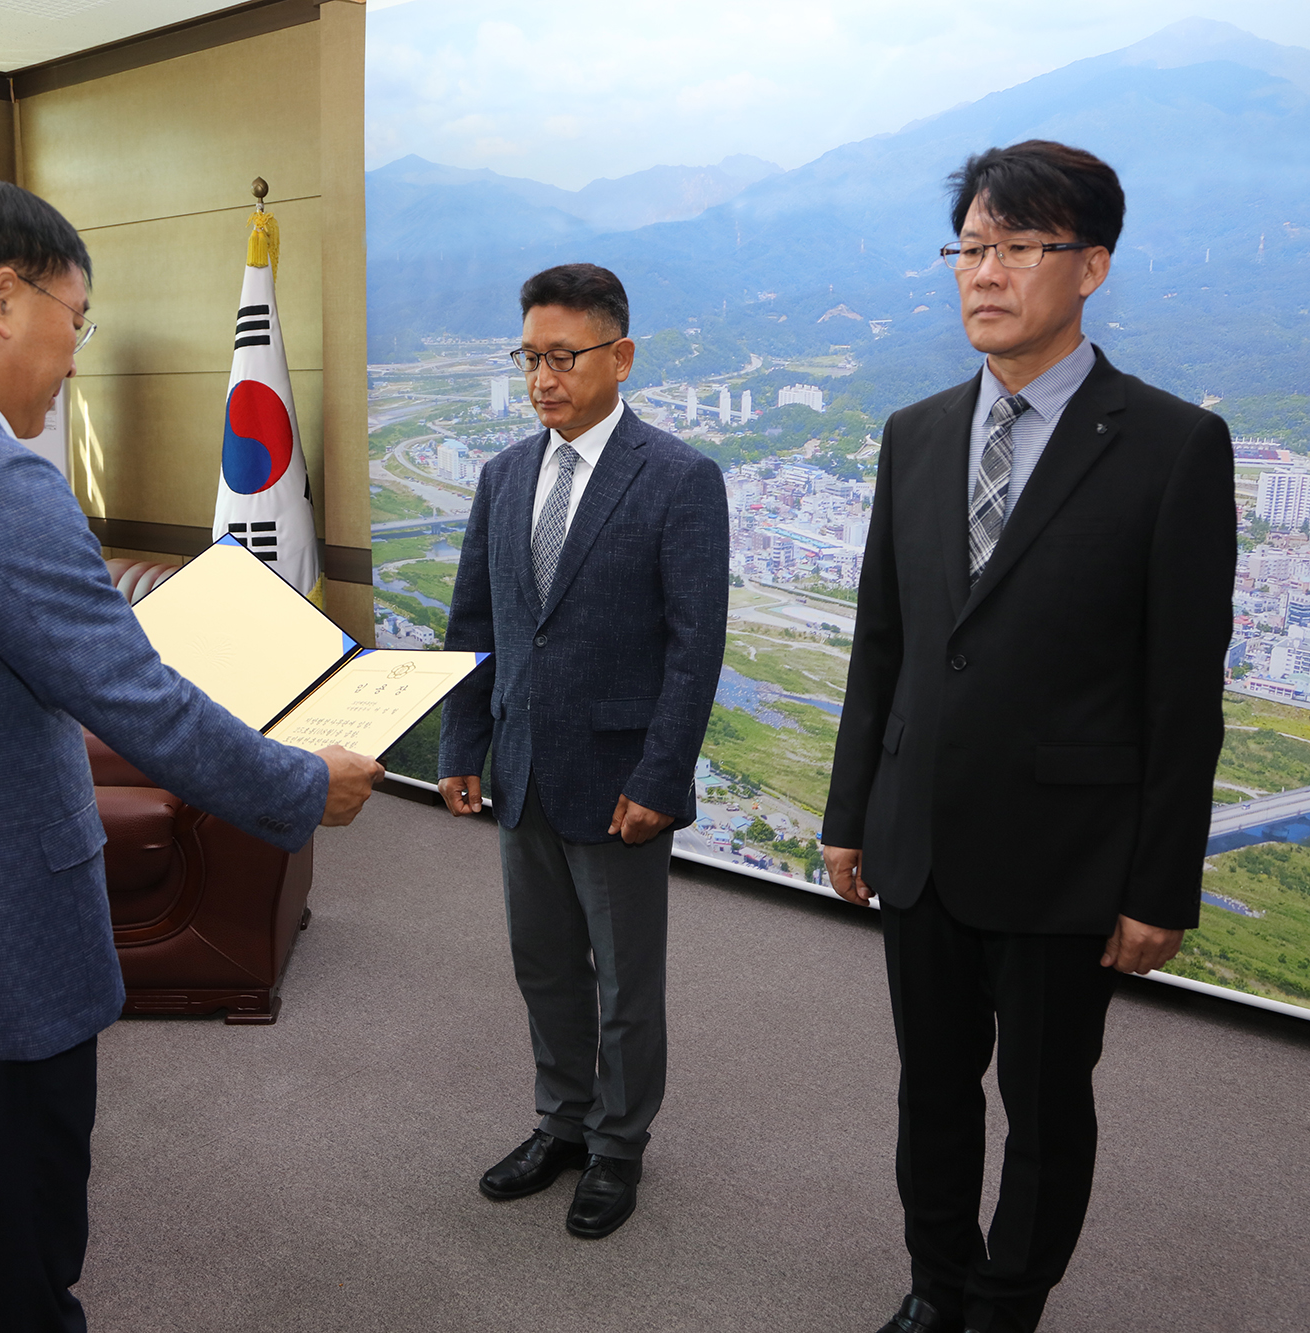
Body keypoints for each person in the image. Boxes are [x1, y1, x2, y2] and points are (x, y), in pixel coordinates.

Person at [0, 178, 385, 1331]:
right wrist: (302, 785)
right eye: (74, 318)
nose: (75, 356)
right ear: (2, 296)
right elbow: (138, 703)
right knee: (12, 1285)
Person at [820, 142, 1234, 1333]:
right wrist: (852, 811)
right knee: (931, 1095)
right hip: (921, 844)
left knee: (1047, 1111)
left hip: (1066, 857)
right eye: (968, 247)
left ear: (1090, 265)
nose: (981, 274)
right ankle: (933, 1285)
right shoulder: (912, 432)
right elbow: (881, 647)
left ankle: (1005, 1308)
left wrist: (1159, 881)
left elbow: (1178, 696)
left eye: (1014, 246)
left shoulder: (1167, 446)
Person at [437, 263, 728, 1240]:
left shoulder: (681, 479)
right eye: (529, 357)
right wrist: (462, 741)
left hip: (617, 786)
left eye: (562, 357)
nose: (541, 378)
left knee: (622, 984)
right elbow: (473, 620)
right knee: (545, 969)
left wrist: (658, 776)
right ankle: (559, 1124)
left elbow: (695, 649)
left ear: (620, 357)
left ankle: (616, 1147)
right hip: (519, 768)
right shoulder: (503, 473)